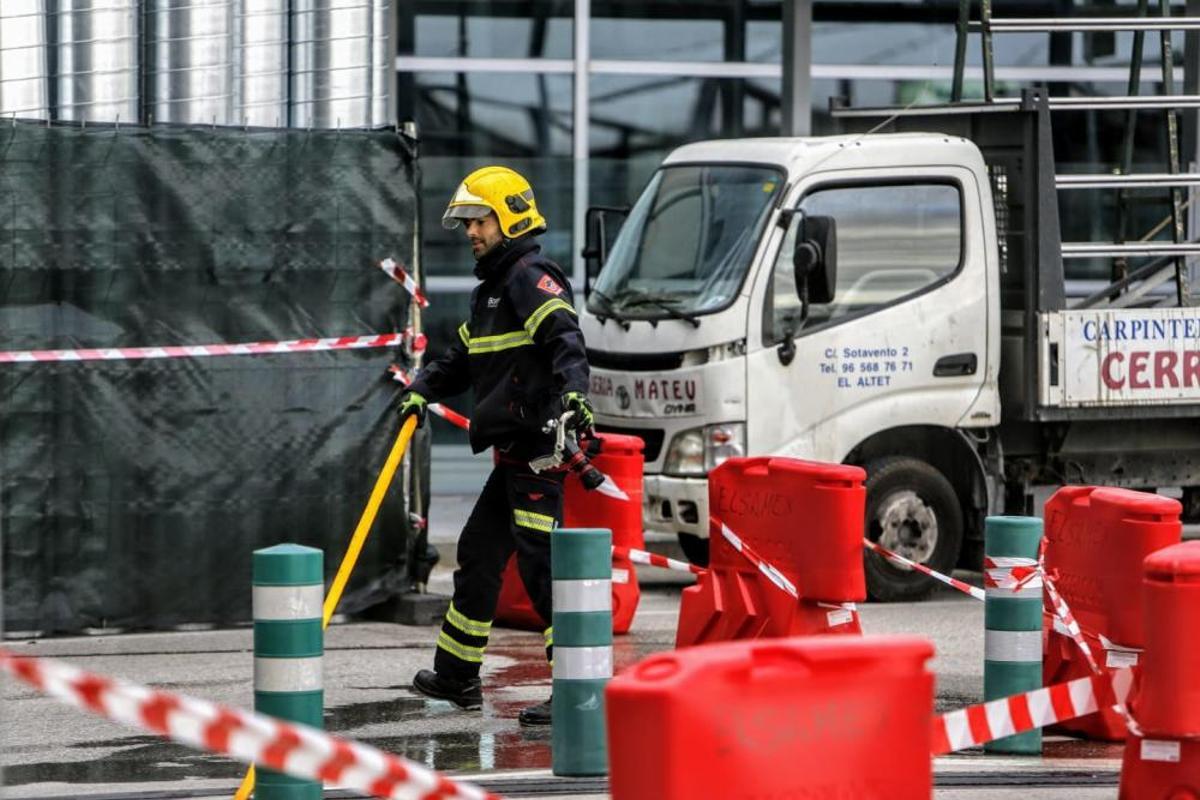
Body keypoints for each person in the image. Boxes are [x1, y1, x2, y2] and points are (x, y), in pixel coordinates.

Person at [397, 166, 593, 726]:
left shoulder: (530, 277)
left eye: (479, 221)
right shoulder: (491, 293)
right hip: (512, 457)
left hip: (538, 453)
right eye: (466, 223)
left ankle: (578, 690)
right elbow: (461, 358)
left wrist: (576, 394)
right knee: (479, 556)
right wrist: (421, 390)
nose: (470, 232)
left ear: (509, 219)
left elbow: (566, 339)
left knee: (542, 570)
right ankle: (457, 676)